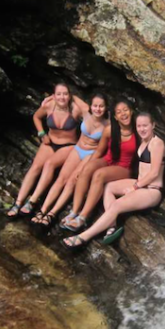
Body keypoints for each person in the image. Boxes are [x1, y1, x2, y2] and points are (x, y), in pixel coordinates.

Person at [63, 112, 165, 248]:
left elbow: (154, 173)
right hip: (140, 184)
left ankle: (83, 237)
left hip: (151, 190)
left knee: (117, 205)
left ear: (153, 125)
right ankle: (112, 226)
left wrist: (135, 187)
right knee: (109, 187)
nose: (142, 129)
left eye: (145, 125)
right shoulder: (143, 141)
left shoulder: (157, 143)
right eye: (139, 126)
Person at [31, 92, 109, 226]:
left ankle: (52, 213)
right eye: (95, 106)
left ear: (106, 108)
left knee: (72, 180)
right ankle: (42, 209)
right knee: (61, 178)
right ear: (91, 105)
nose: (98, 109)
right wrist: (50, 97)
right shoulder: (85, 111)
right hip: (77, 149)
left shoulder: (108, 124)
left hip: (91, 153)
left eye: (101, 106)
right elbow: (69, 94)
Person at [59, 99, 138, 231]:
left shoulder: (138, 131)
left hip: (124, 167)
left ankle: (83, 217)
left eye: (126, 110)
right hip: (108, 160)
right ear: (115, 117)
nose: (123, 114)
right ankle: (74, 211)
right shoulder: (109, 130)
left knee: (99, 174)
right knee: (88, 169)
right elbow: (99, 151)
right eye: (119, 112)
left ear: (131, 112)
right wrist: (85, 167)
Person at [6, 83, 81, 217]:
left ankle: (33, 201)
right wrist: (41, 133)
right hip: (49, 141)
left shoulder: (75, 109)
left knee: (49, 164)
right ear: (54, 95)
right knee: (35, 167)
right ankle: (18, 202)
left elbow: (91, 114)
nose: (62, 97)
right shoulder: (49, 105)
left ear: (69, 96)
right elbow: (36, 117)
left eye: (65, 94)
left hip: (68, 145)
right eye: (59, 94)